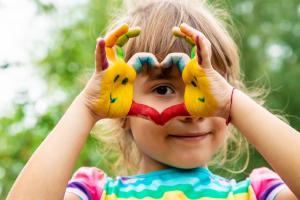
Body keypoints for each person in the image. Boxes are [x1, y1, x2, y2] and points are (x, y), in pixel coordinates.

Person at [7, 0, 300, 199]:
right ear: (121, 112)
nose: (192, 111)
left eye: (208, 88)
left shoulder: (257, 193)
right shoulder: (95, 193)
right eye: (163, 89)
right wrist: (86, 108)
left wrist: (233, 102)